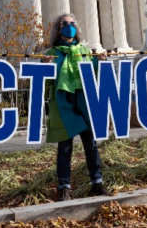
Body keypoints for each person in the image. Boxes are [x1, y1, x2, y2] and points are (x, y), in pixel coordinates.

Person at [44, 13, 109, 202]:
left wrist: (100, 61)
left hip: (84, 102)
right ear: (58, 28)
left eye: (72, 23)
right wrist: (44, 67)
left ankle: (97, 182)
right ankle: (64, 187)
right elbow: (45, 81)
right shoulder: (51, 53)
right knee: (64, 148)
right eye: (65, 23)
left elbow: (92, 72)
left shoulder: (84, 51)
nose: (69, 26)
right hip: (64, 104)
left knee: (91, 145)